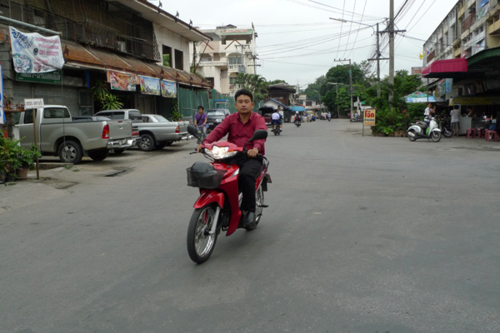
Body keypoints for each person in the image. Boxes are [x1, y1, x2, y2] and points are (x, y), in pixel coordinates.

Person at [197, 89, 267, 229]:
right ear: (235, 105)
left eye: (246, 102)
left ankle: (249, 211)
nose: (243, 105)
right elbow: (218, 131)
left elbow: (261, 135)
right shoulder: (230, 119)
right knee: (216, 174)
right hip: (232, 156)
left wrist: (255, 148)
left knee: (246, 175)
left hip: (252, 157)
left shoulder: (258, 119)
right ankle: (223, 206)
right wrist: (205, 143)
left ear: (252, 104)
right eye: (240, 102)